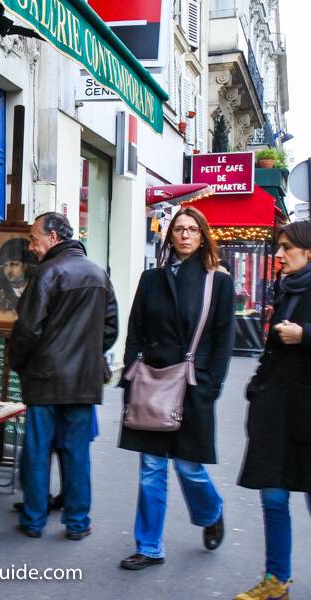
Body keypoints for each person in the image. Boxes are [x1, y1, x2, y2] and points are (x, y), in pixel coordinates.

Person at [118, 206, 234, 570]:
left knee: (188, 468)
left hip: (193, 386)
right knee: (151, 468)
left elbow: (223, 338)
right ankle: (149, 546)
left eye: (192, 230)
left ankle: (211, 510)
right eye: (179, 229)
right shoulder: (151, 279)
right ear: (170, 236)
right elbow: (136, 328)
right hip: (151, 385)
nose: (185, 235)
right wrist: (131, 369)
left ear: (202, 236)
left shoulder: (218, 281)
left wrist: (211, 385)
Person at [8, 212, 118, 539]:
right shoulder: (98, 274)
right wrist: (87, 355)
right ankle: (78, 523)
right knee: (77, 454)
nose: (31, 247)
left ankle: (33, 520)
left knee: (38, 452)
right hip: (83, 381)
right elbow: (110, 329)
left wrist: (19, 363)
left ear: (53, 238)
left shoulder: (47, 274)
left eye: (33, 238)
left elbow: (28, 329)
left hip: (44, 379)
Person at [234, 220, 311, 600]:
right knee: (274, 497)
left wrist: (306, 334)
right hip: (275, 411)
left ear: (308, 251)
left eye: (286, 248)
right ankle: (276, 581)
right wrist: (257, 389)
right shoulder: (286, 288)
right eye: (278, 247)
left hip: (307, 415)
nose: (278, 255)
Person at [0, 237, 37, 315]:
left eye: (14, 265)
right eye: (5, 265)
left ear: (25, 266)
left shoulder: (36, 287)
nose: (9, 271)